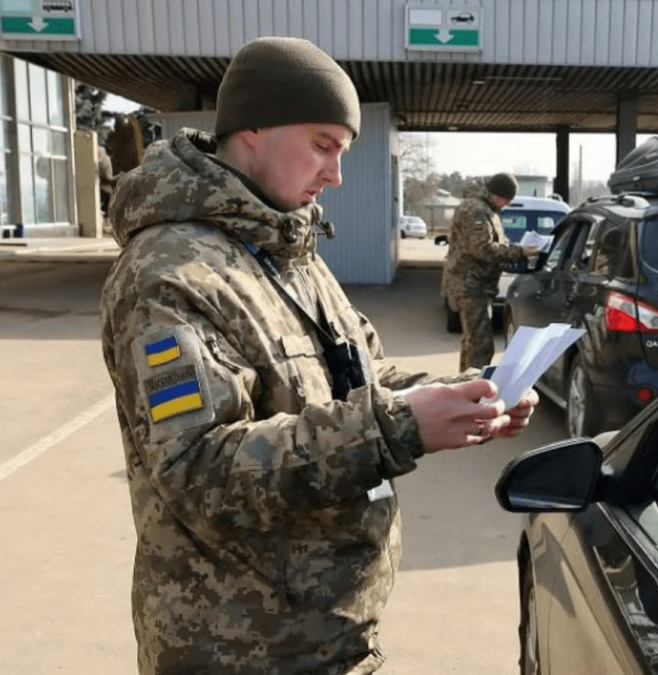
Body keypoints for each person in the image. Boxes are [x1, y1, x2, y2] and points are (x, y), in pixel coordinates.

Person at [99, 36, 538, 674]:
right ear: (250, 129)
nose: (335, 174)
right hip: (240, 647)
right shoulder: (170, 272)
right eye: (323, 145)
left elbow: (361, 374)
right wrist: (400, 426)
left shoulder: (283, 249)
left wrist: (466, 393)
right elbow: (199, 471)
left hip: (323, 632)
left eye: (344, 151)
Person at [441, 172, 540, 370]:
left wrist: (514, 249)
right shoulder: (475, 210)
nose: (507, 205)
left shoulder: (487, 209)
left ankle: (464, 387)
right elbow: (482, 248)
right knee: (481, 346)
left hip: (478, 286)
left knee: (472, 343)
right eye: (507, 200)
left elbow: (493, 243)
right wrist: (518, 251)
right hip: (470, 286)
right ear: (498, 194)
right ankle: (474, 391)